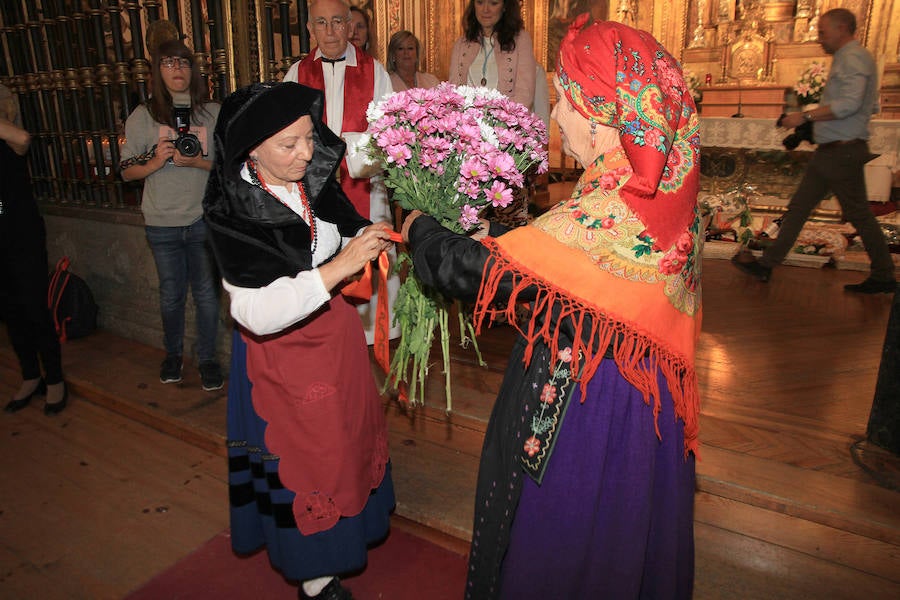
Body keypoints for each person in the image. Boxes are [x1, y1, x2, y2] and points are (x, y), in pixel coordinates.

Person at [402, 14, 701, 599]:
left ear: (610, 124)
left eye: (568, 100)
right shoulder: (664, 190)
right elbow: (556, 259)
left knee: (571, 537)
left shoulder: (615, 210)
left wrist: (422, 230)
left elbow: (487, 274)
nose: (556, 115)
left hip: (591, 405)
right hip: (646, 408)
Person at [202, 81, 395, 600]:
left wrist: (366, 237)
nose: (306, 153)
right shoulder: (234, 211)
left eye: (309, 138)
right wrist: (336, 270)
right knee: (309, 460)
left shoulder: (307, 179)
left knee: (344, 444)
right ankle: (316, 577)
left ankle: (352, 533)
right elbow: (254, 311)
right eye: (289, 145)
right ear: (251, 150)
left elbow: (339, 228)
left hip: (333, 343)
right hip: (281, 359)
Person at [732, 8, 896, 294]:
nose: (819, 38)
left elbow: (849, 105)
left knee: (854, 214)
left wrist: (804, 117)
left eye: (823, 32)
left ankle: (883, 274)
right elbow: (867, 106)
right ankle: (767, 264)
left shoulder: (854, 57)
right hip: (835, 150)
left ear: (842, 28)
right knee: (802, 207)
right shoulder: (850, 58)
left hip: (842, 152)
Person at [284, 0, 399, 344]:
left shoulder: (375, 71)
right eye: (321, 23)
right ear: (310, 29)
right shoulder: (296, 73)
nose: (330, 31)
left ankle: (372, 333)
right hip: (313, 190)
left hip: (363, 187)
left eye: (337, 22)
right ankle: (329, 334)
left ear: (350, 26)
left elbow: (388, 134)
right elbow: (285, 132)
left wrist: (345, 151)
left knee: (370, 252)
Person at [120, 39, 224, 389]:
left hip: (201, 219)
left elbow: (230, 167)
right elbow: (125, 171)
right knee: (171, 295)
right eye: (168, 63)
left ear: (193, 69)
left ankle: (208, 359)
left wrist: (197, 161)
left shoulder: (212, 112)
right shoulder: (143, 115)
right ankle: (173, 355)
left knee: (208, 294)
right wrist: (154, 161)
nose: (177, 69)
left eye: (183, 62)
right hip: (161, 221)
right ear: (157, 71)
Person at [1, 84, 68, 416]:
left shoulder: (10, 134)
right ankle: (30, 375)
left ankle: (54, 378)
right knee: (10, 311)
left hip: (20, 229)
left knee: (34, 306)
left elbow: (24, 140)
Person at [449, 0, 538, 227]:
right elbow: (453, 94)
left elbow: (524, 95)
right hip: (468, 146)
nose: (486, 9)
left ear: (505, 6)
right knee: (469, 221)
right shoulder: (462, 43)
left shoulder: (521, 40)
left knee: (508, 221)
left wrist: (497, 136)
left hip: (505, 145)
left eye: (493, 2)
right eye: (480, 2)